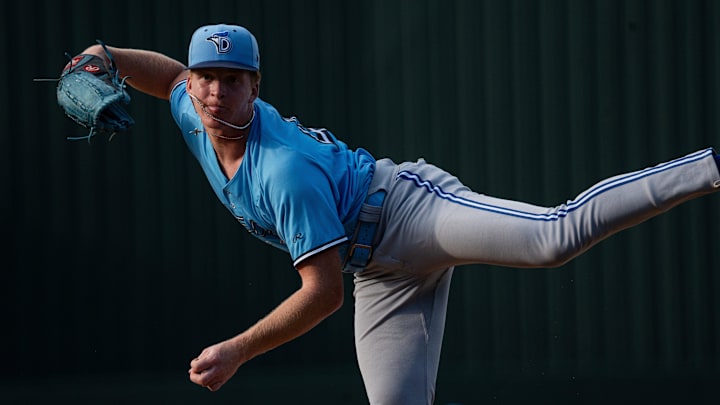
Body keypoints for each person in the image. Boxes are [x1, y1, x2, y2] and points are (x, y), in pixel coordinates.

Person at [75, 23, 720, 404]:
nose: (218, 91)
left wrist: (238, 350)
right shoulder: (193, 104)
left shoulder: (283, 172)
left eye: (235, 79)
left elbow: (321, 294)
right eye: (208, 77)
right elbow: (164, 75)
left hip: (409, 211)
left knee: (555, 236)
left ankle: (711, 166)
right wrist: (107, 56)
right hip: (378, 273)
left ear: (256, 87)